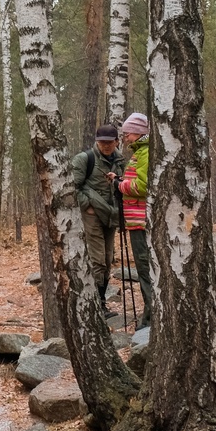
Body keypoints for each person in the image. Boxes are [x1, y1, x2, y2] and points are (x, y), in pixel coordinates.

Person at [71, 124, 125, 314]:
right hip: (93, 216)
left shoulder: (120, 161)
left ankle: (101, 302)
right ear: (97, 141)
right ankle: (94, 305)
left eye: (110, 142)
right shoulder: (85, 159)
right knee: (97, 260)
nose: (106, 146)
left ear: (116, 142)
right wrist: (88, 206)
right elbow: (72, 188)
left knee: (108, 259)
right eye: (102, 142)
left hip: (111, 216)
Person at [117, 112, 154, 328]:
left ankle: (150, 319)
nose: (126, 138)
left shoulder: (145, 152)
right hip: (137, 219)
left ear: (138, 132)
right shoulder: (140, 152)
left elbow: (143, 186)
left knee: (145, 269)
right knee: (144, 269)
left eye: (128, 133)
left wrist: (119, 186)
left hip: (141, 220)